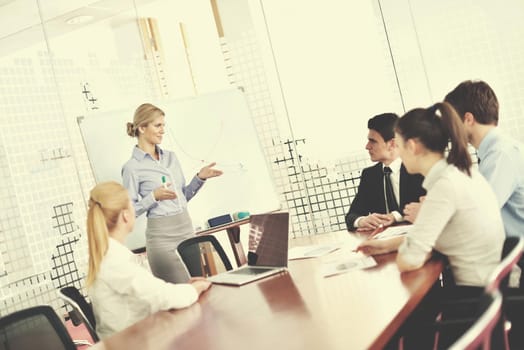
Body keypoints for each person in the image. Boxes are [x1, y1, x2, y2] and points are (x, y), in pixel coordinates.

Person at [357, 102, 505, 349]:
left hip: (469, 301)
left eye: (400, 146)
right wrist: (386, 245)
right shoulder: (461, 173)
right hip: (483, 291)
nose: (400, 155)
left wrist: (408, 247)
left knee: (398, 324)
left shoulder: (443, 187)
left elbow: (409, 260)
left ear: (412, 146)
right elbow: (439, 236)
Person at [86, 181, 211, 339]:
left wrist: (184, 289)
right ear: (125, 215)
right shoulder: (114, 261)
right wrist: (196, 288)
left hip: (133, 336)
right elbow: (162, 297)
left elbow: (150, 293)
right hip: (130, 342)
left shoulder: (108, 254)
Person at [122, 103, 223, 283]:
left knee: (200, 288)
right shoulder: (132, 168)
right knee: (182, 295)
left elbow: (182, 197)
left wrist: (200, 178)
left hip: (186, 230)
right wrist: (153, 197)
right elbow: (128, 213)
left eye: (163, 126)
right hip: (162, 239)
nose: (162, 130)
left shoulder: (171, 157)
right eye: (157, 126)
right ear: (142, 127)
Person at [444, 80, 524, 238]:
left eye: (451, 123)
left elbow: (479, 216)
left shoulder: (500, 155)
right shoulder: (495, 151)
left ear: (468, 119)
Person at [345, 113, 425, 232]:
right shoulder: (369, 175)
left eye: (373, 141)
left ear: (392, 144)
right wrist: (362, 221)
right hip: (384, 240)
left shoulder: (419, 169)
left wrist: (395, 216)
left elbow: (426, 207)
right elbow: (352, 215)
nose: (367, 146)